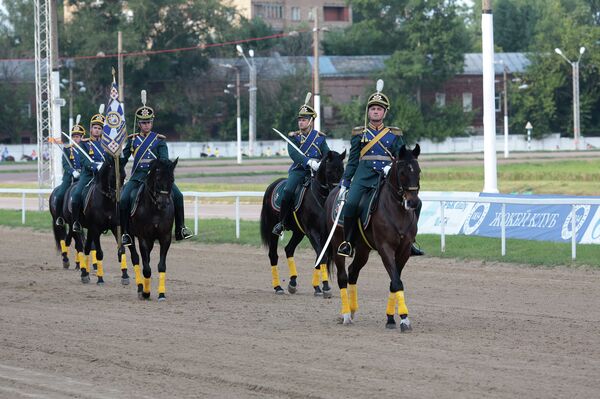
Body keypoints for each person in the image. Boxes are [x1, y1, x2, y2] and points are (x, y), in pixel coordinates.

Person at [337, 81, 424, 257]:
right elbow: (353, 160)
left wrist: (389, 168)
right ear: (368, 112)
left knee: (418, 203)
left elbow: (401, 158)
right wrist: (346, 181)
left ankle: (410, 240)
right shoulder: (359, 134)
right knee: (352, 203)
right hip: (363, 176)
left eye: (379, 109)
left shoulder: (394, 134)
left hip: (386, 178)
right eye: (373, 109)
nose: (376, 111)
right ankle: (348, 242)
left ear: (385, 112)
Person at [119, 94, 193, 246]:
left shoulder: (159, 140)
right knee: (124, 198)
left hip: (157, 177)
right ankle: (126, 233)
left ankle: (180, 228)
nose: (146, 125)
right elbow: (123, 160)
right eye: (143, 123)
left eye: (148, 122)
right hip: (138, 176)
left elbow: (164, 160)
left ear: (152, 122)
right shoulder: (132, 140)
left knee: (178, 195)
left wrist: (159, 167)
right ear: (139, 123)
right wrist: (114, 158)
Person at [272, 94, 330, 237]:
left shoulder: (320, 138)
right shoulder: (294, 137)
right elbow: (294, 154)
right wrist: (308, 162)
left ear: (311, 121)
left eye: (304, 120)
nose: (301, 122)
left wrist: (321, 164)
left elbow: (327, 154)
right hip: (299, 170)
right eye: (299, 120)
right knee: (288, 190)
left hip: (316, 172)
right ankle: (282, 222)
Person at [71, 112, 106, 233]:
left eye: (99, 128)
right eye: (95, 128)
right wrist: (96, 166)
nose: (97, 130)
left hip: (104, 176)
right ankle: (76, 222)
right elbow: (84, 161)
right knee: (76, 195)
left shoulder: (106, 144)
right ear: (91, 129)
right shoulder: (84, 143)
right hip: (88, 175)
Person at [54, 124, 85, 227]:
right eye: (74, 136)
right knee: (59, 195)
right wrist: (73, 171)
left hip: (83, 177)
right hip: (69, 178)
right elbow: (65, 165)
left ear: (82, 137)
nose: (76, 138)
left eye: (78, 136)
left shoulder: (85, 149)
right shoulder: (67, 150)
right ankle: (59, 217)